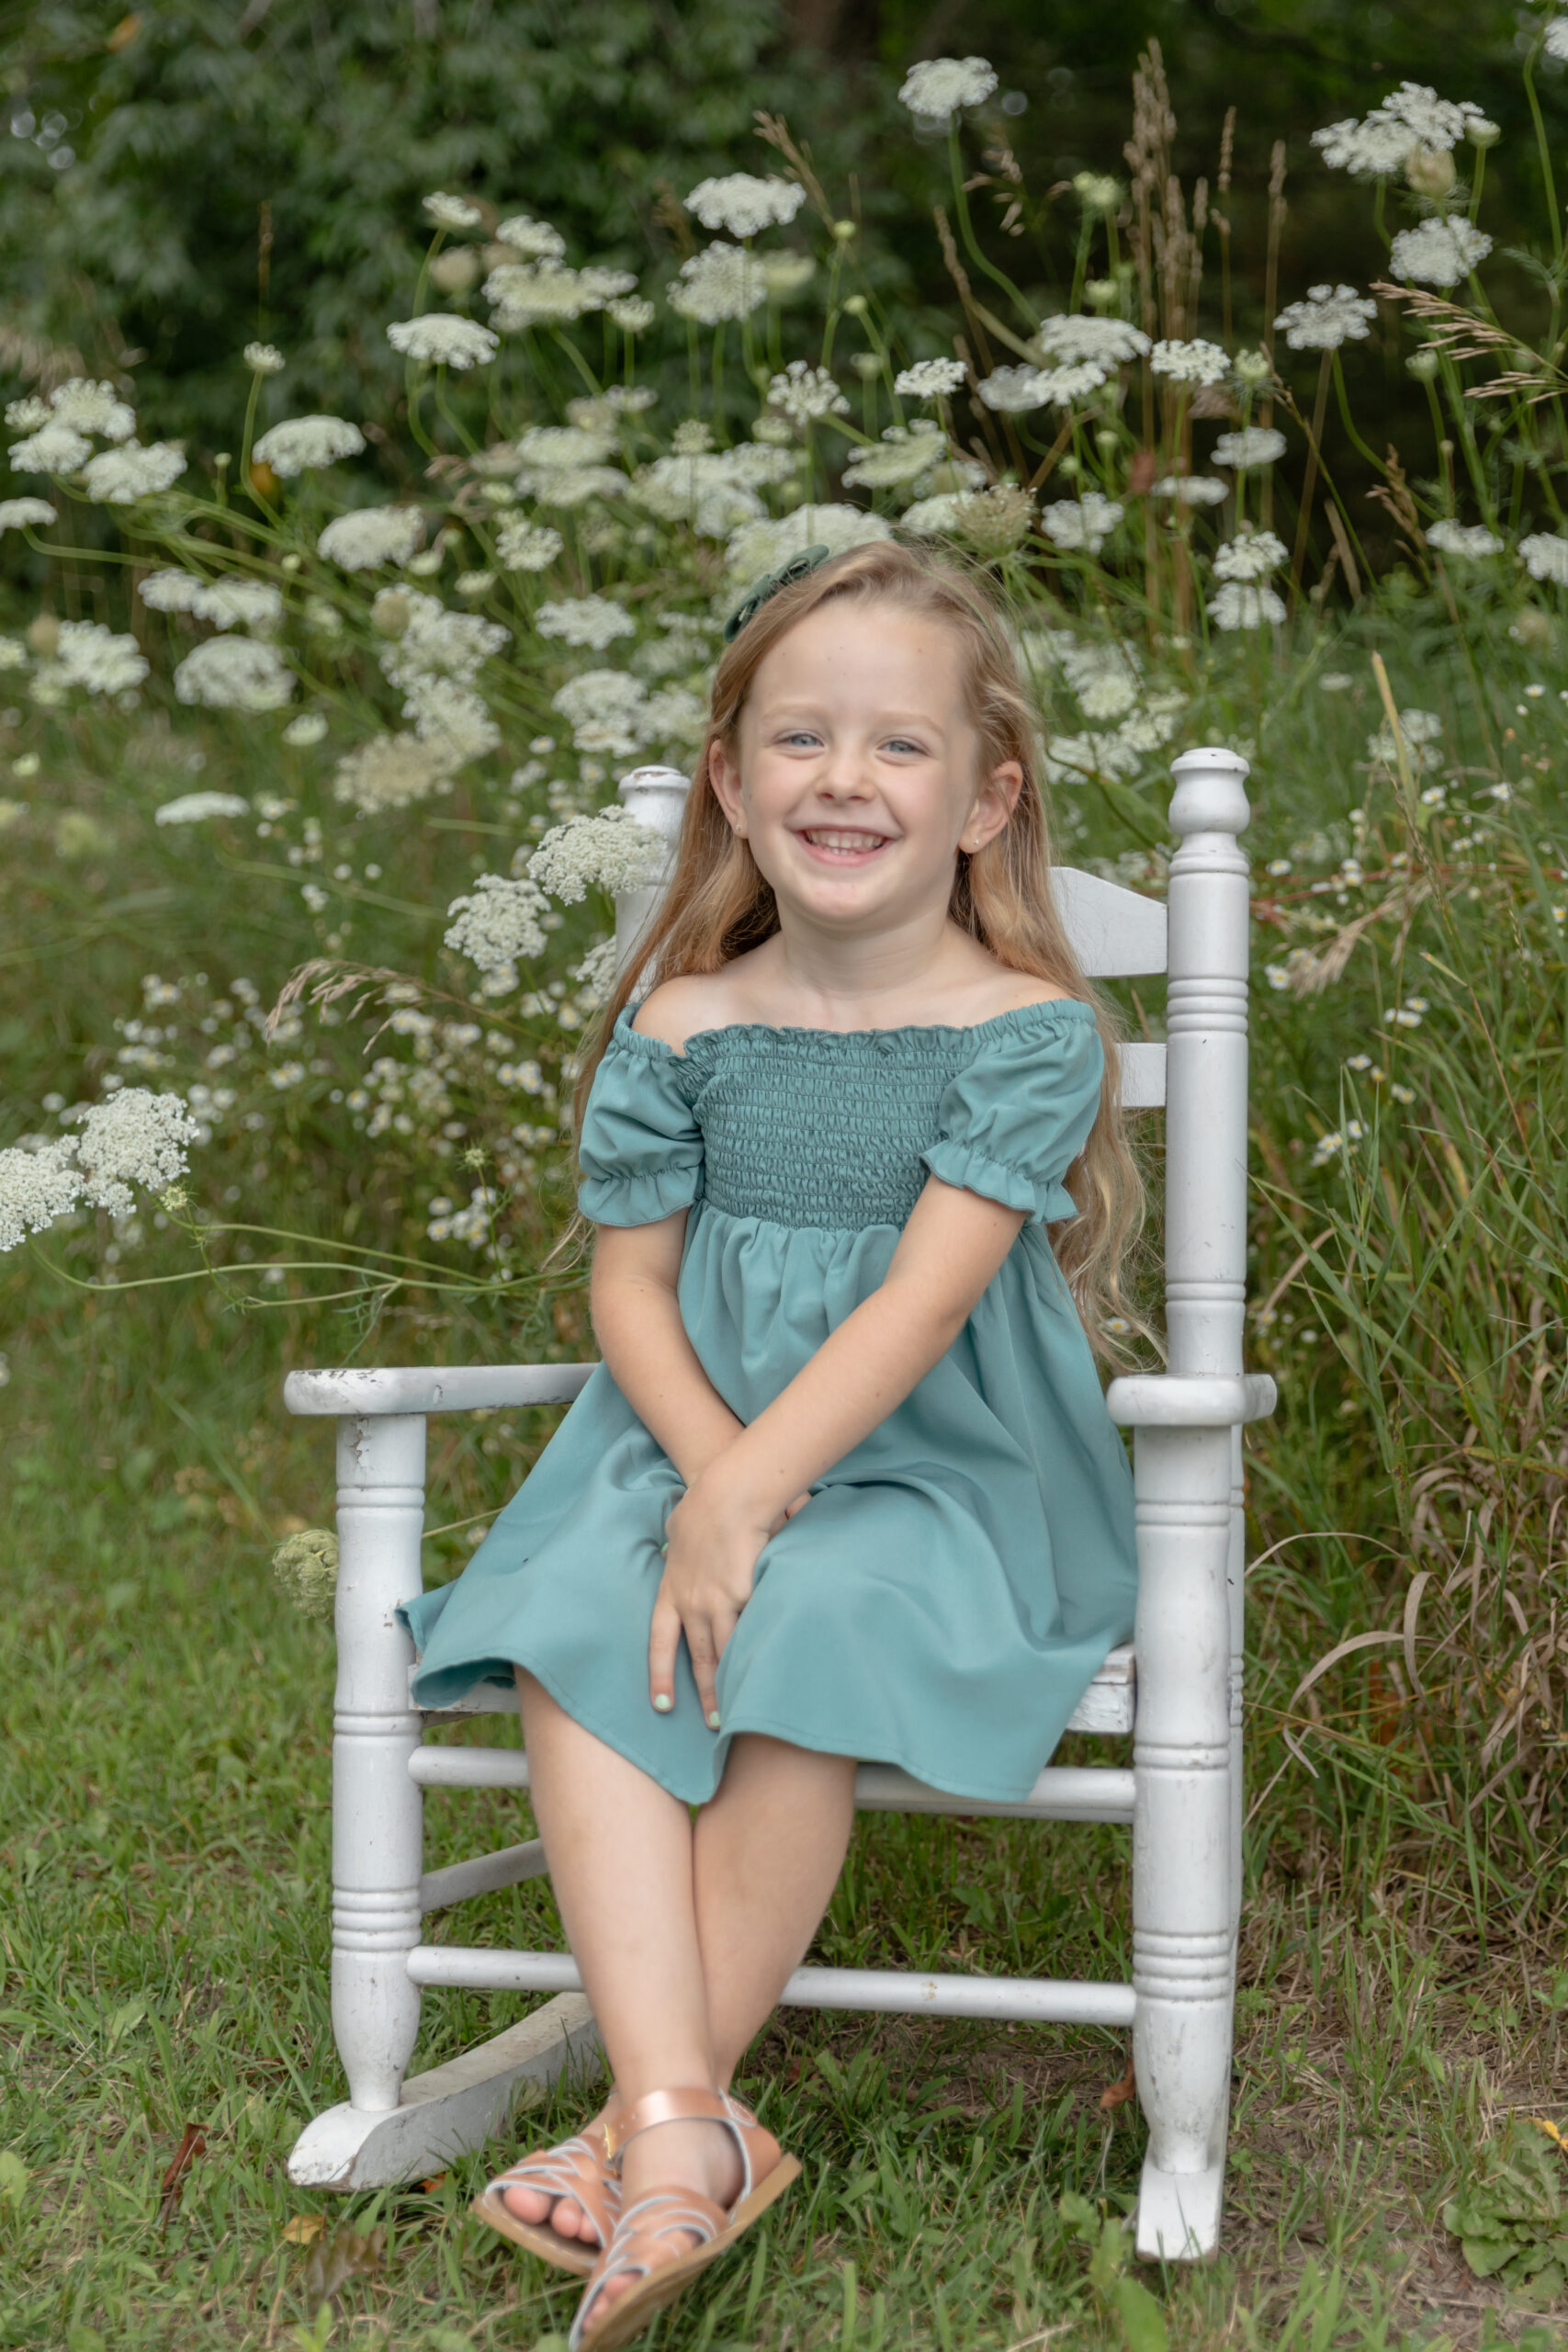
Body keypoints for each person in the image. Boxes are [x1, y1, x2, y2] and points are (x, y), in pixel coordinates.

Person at [400, 539, 1142, 2349]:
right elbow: (631, 1291)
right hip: (683, 1439)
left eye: (896, 746)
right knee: (588, 1603)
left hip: (944, 1472)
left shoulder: (1024, 1032)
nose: (841, 777)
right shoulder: (682, 1019)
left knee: (802, 1616)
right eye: (796, 738)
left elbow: (918, 1303)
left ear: (984, 796)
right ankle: (681, 2121)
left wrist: (750, 1490)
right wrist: (705, 1476)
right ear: (728, 783)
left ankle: (646, 2121)